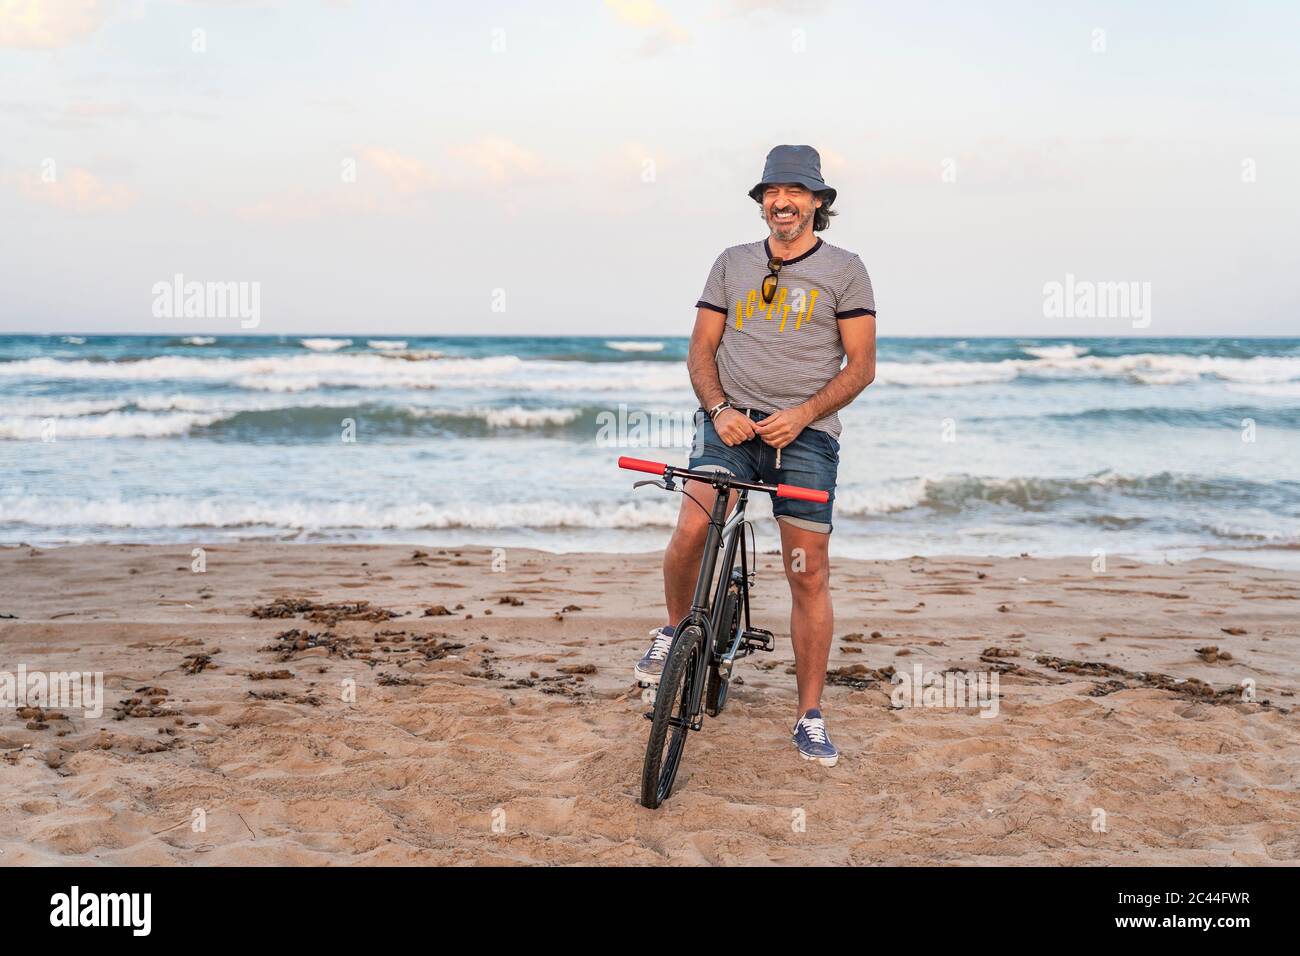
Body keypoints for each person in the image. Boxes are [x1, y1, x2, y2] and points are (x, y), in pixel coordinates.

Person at [634, 144, 877, 767]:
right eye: (772, 192)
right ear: (763, 202)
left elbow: (862, 367)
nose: (783, 201)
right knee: (693, 524)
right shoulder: (731, 263)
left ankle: (809, 715)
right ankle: (672, 632)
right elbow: (701, 349)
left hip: (807, 436)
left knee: (807, 570)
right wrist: (720, 411)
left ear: (819, 203)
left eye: (796, 192)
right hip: (731, 427)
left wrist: (801, 416)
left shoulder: (846, 269)